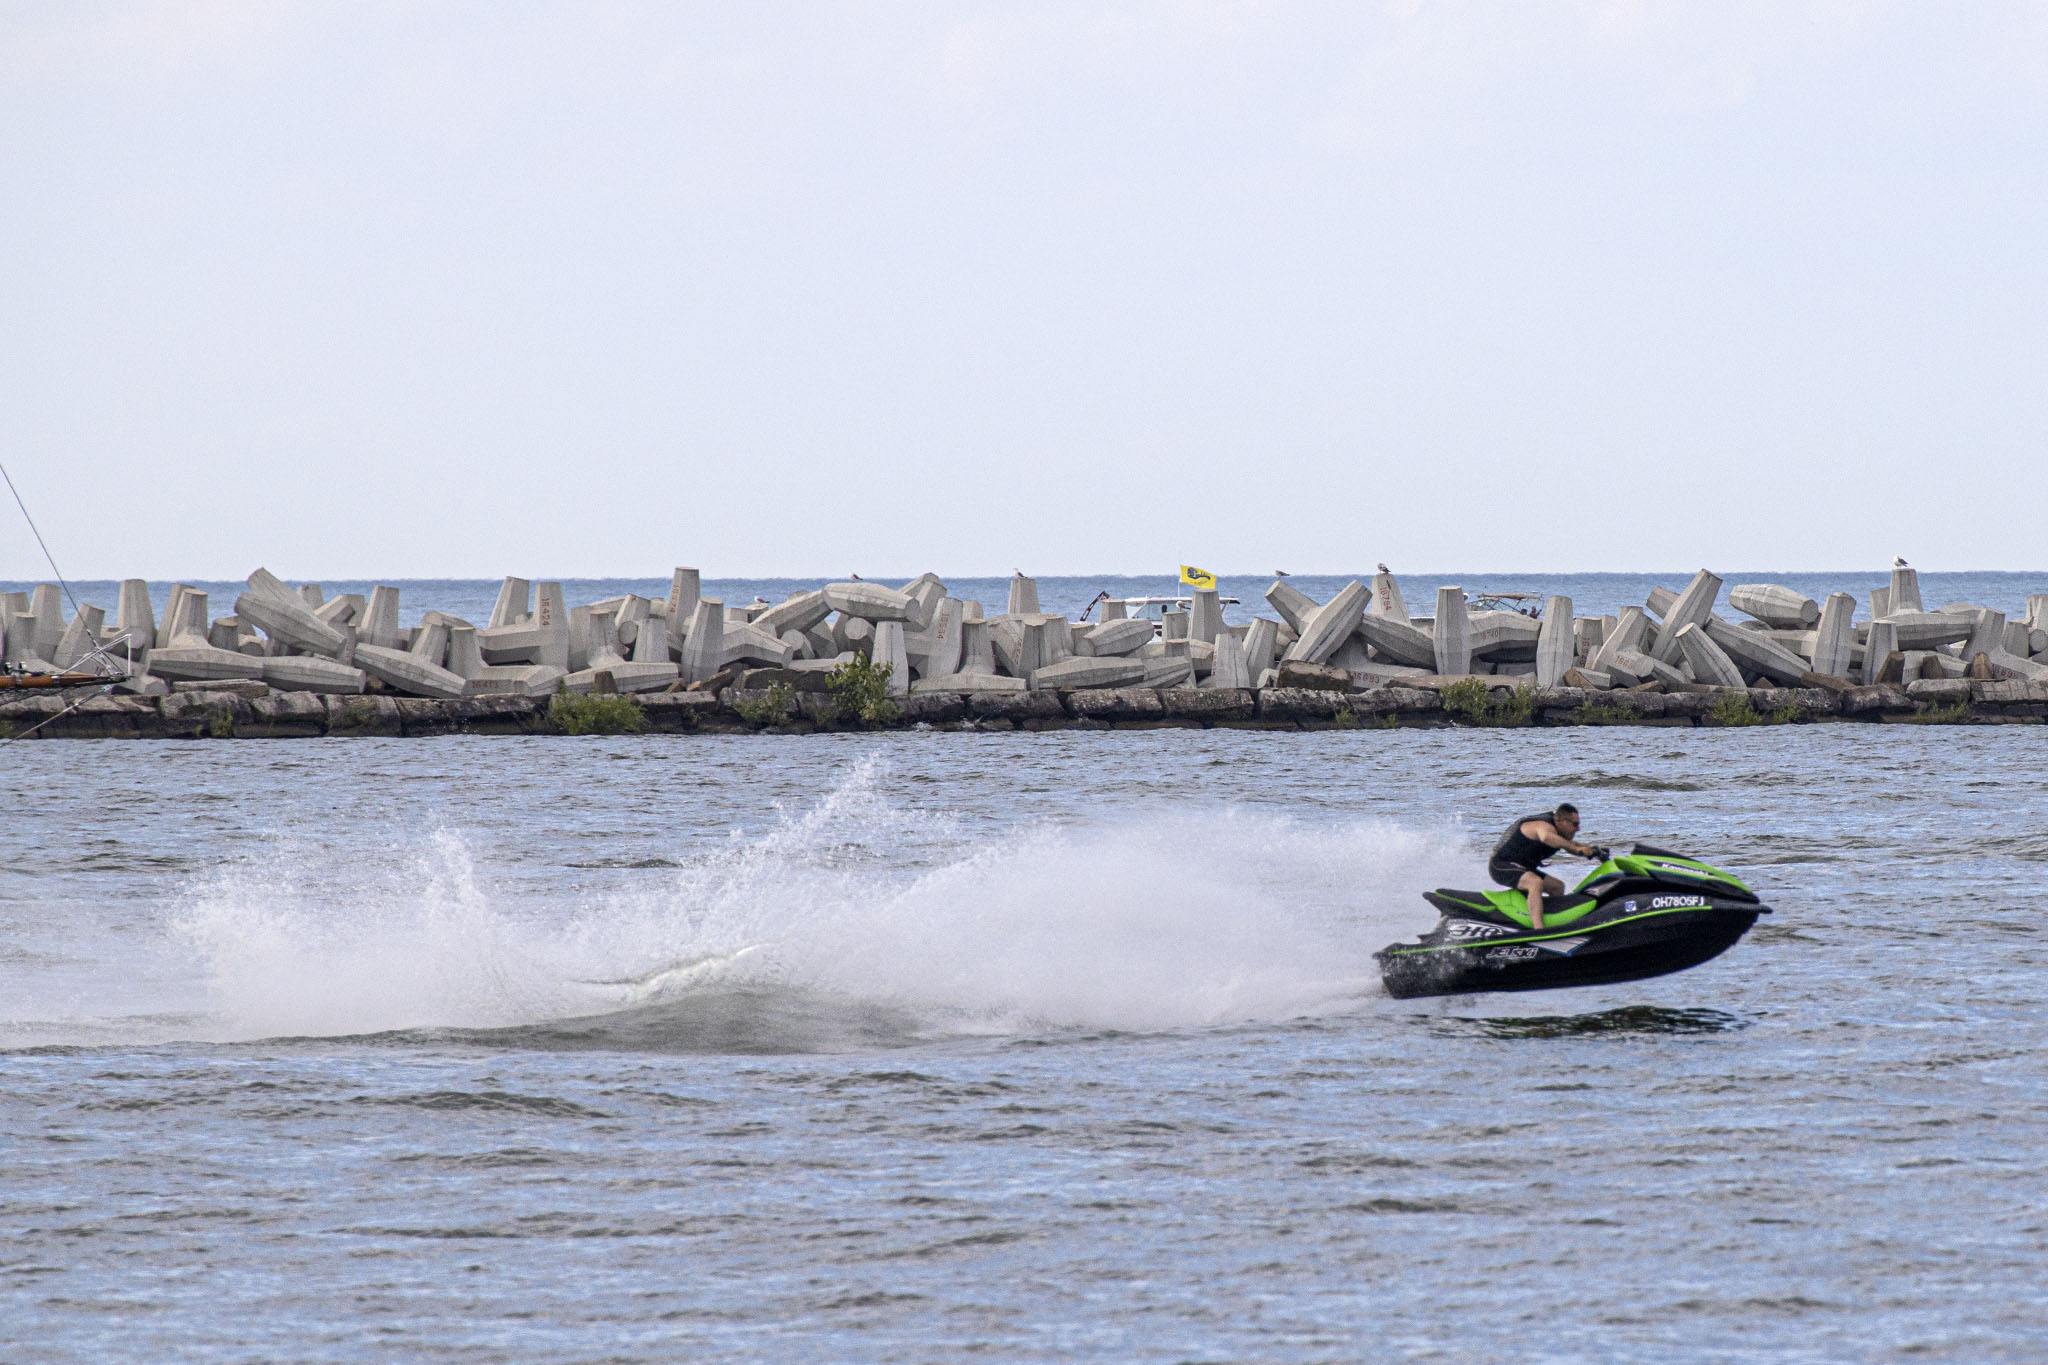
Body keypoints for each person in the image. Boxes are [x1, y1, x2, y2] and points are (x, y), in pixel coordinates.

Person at [1489, 804, 1602, 930]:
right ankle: (1539, 930)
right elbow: (1546, 837)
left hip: (1522, 868)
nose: (1578, 828)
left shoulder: (1560, 833)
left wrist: (1594, 851)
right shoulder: (1543, 826)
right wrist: (1576, 848)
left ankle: (1555, 923)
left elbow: (1572, 846)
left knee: (1557, 887)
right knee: (1534, 882)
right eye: (1575, 824)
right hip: (1500, 866)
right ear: (1561, 821)